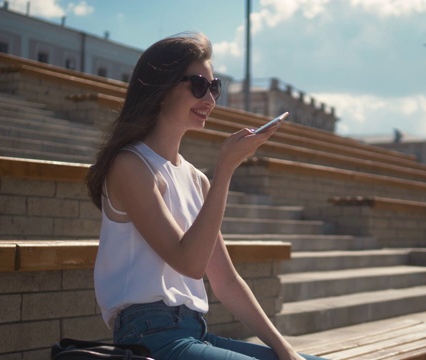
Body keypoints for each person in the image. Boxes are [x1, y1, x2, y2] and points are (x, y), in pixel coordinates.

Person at [85, 32, 326, 360]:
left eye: (214, 87)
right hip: (149, 337)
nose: (210, 98)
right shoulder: (130, 165)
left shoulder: (195, 179)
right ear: (162, 88)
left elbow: (226, 282)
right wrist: (225, 169)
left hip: (193, 332)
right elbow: (190, 263)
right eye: (199, 85)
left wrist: (285, 350)